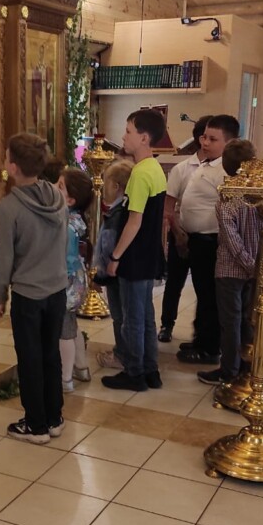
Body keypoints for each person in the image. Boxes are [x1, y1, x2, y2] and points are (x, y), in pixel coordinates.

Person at [0, 132, 68, 443]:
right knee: (50, 353)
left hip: (28, 296)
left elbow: (4, 259)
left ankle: (35, 425)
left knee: (29, 358)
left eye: (6, 156)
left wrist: (0, 297)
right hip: (57, 290)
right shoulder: (57, 197)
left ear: (13, 167)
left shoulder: (8, 208)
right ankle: (54, 417)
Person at [103, 109, 167, 392]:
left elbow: (134, 221)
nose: (123, 136)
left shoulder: (140, 174)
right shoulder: (155, 168)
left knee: (132, 318)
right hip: (149, 254)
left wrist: (115, 256)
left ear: (144, 138)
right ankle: (151, 370)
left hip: (135, 256)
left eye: (128, 131)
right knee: (146, 316)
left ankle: (134, 373)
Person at [176, 114, 240, 365]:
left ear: (229, 142)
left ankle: (209, 348)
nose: (205, 143)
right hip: (198, 241)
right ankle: (201, 339)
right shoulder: (208, 164)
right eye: (204, 137)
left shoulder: (226, 170)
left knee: (211, 297)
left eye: (213, 139)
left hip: (212, 242)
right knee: (202, 294)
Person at [198, 140, 260, 385]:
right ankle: (246, 363)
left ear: (225, 165)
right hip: (253, 268)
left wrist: (247, 264)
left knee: (230, 322)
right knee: (245, 319)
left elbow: (231, 241)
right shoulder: (260, 196)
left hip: (229, 270)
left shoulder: (226, 200)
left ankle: (229, 370)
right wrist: (255, 266)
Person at [158, 114, 211, 343]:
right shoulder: (182, 169)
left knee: (204, 287)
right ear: (201, 139)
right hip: (180, 233)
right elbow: (168, 207)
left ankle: (201, 332)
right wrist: (178, 234)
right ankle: (166, 324)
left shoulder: (222, 168)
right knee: (174, 283)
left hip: (207, 238)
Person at [93, 159, 132, 370]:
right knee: (125, 315)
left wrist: (99, 276)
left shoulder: (117, 214)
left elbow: (107, 246)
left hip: (114, 274)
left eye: (106, 183)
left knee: (120, 316)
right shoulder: (126, 208)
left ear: (116, 186)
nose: (103, 188)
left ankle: (122, 356)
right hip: (124, 272)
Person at [57, 167, 93, 391]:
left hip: (67, 282)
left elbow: (61, 257)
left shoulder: (66, 226)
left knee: (64, 332)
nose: (53, 187)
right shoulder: (74, 219)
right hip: (75, 279)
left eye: (59, 186)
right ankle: (81, 367)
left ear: (70, 200)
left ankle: (65, 379)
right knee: (71, 326)